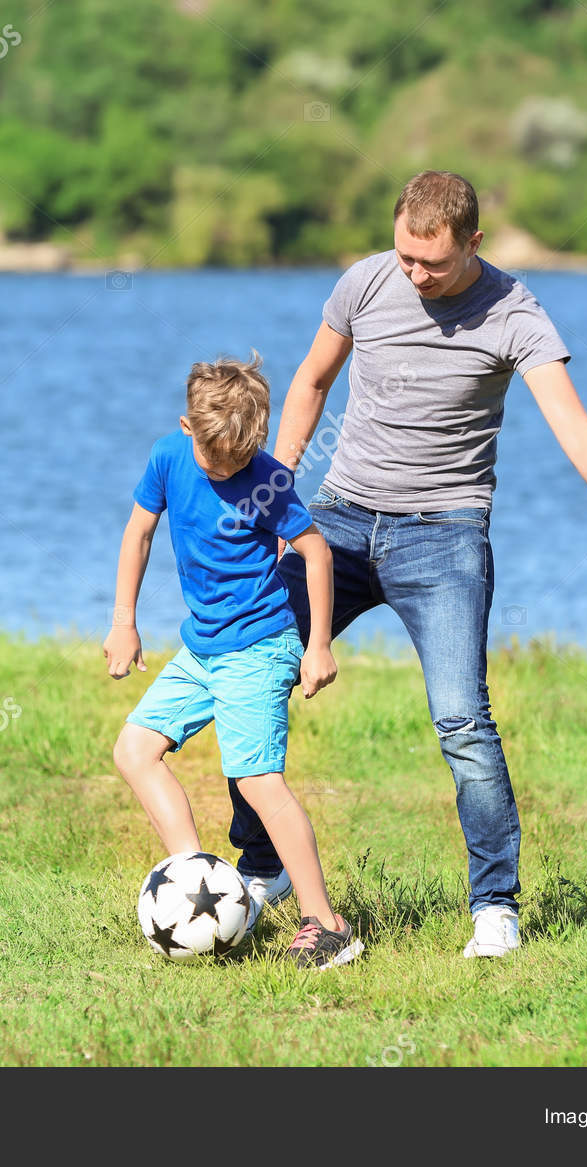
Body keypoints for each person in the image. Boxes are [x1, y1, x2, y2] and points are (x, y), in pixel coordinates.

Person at [227, 170, 587, 959]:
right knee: (251, 667)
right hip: (337, 520)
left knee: (462, 720)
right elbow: (309, 382)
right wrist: (278, 497)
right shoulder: (365, 282)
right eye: (405, 255)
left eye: (431, 263)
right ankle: (264, 865)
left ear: (473, 242)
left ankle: (495, 907)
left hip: (442, 536)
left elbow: (575, 429)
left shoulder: (517, 315)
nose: (414, 274)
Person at [103, 352, 363, 970]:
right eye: (218, 459)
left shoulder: (265, 477)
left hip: (259, 647)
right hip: (202, 647)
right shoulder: (169, 456)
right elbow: (138, 533)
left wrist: (319, 643)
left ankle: (326, 925)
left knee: (256, 781)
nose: (228, 470)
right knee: (134, 751)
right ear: (189, 428)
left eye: (240, 459)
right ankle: (200, 885)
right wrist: (123, 622)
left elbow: (316, 551)